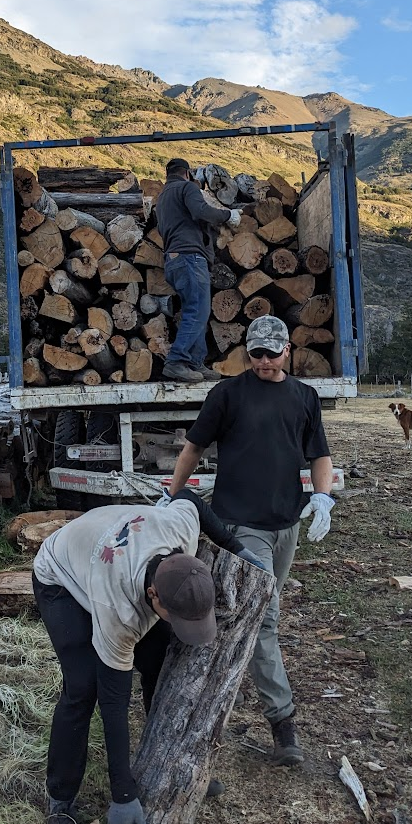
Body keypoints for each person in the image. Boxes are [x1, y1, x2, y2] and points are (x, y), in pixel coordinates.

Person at [33, 490, 263, 824]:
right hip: (61, 576)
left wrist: (239, 549)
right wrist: (122, 794)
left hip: (110, 547)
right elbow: (113, 704)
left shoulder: (180, 529)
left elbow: (191, 499)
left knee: (158, 662)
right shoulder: (119, 611)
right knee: (83, 688)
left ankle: (169, 766)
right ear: (155, 596)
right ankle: (60, 799)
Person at [167, 315, 335, 766]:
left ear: (287, 352)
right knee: (264, 617)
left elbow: (319, 454)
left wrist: (323, 498)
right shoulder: (227, 394)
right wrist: (175, 495)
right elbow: (193, 448)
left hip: (287, 525)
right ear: (247, 353)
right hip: (241, 527)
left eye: (271, 353)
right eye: (254, 353)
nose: (262, 361)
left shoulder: (304, 397)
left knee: (254, 610)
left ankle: (212, 671)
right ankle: (284, 726)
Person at [155, 157, 242, 383]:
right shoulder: (186, 188)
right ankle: (176, 361)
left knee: (194, 310)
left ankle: (195, 363)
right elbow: (201, 210)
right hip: (190, 257)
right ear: (186, 173)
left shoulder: (163, 197)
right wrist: (228, 215)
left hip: (174, 260)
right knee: (199, 311)